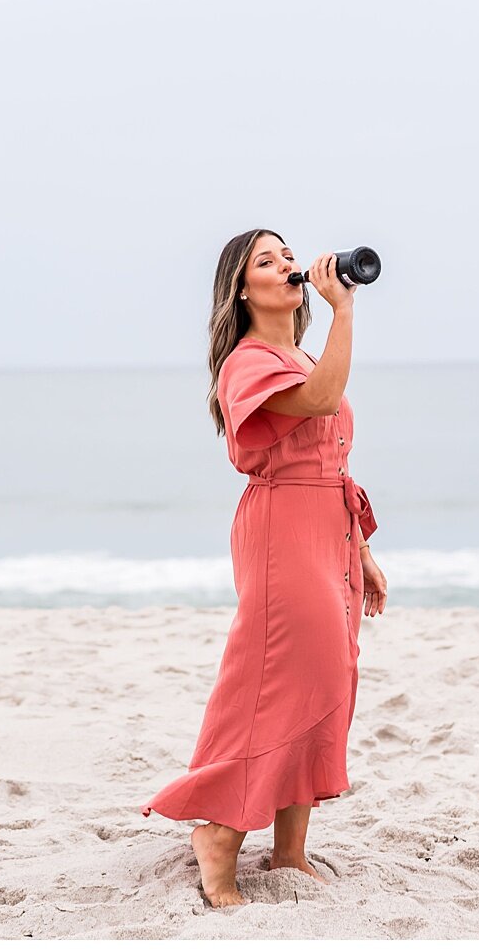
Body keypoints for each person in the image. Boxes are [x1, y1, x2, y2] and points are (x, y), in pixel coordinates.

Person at [143, 229, 389, 908]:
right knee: (274, 674)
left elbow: (329, 456)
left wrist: (362, 550)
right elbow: (317, 401)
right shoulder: (248, 363)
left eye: (288, 255)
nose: (286, 265)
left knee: (326, 673)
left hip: (326, 528)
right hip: (281, 527)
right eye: (266, 260)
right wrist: (346, 311)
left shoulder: (301, 353)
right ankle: (217, 834)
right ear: (242, 288)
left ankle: (288, 846)